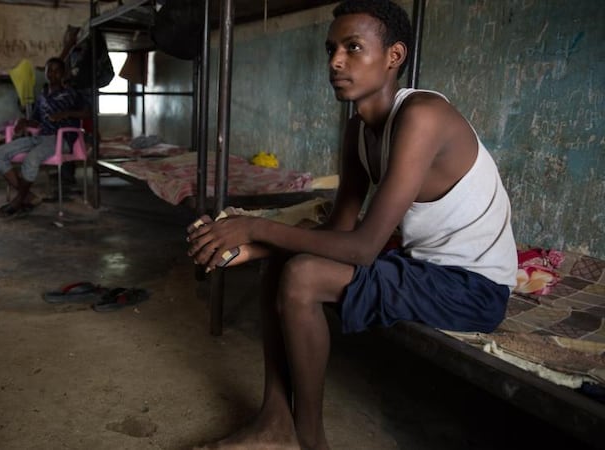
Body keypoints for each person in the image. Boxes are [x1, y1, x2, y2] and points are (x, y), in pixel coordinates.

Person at [185, 1, 517, 449]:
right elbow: (341, 228)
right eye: (331, 49)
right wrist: (258, 247)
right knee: (282, 265)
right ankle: (274, 422)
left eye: (353, 47)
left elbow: (362, 248)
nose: (335, 62)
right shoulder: (358, 130)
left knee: (302, 273)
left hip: (472, 288)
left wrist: (254, 229)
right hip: (423, 267)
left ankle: (308, 440)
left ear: (393, 56)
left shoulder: (422, 116)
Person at [0, 57, 91, 218]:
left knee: (31, 159)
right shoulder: (42, 95)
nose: (53, 74)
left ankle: (17, 202)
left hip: (60, 139)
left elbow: (87, 113)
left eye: (57, 70)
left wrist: (66, 113)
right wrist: (25, 122)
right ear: (45, 73)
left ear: (63, 73)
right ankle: (28, 197)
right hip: (41, 137)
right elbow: (37, 122)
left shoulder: (72, 94)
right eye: (49, 70)